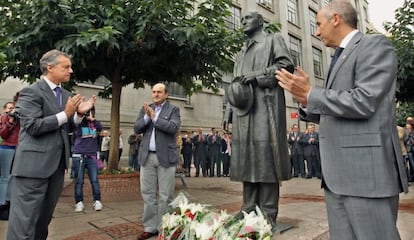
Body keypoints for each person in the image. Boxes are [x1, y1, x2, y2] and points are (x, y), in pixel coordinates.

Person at [275, 1, 409, 239]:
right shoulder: (339, 57)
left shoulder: (373, 45)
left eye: (318, 24)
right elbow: (337, 109)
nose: (316, 32)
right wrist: (306, 101)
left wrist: (312, 94)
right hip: (337, 177)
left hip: (366, 176)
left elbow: (365, 101)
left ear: (335, 19)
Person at [7, 49, 96, 240]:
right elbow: (32, 126)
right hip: (32, 167)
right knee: (23, 222)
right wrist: (66, 114)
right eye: (66, 67)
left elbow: (67, 126)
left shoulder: (65, 94)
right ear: (50, 67)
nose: (71, 71)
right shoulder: (30, 91)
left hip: (56, 166)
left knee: (43, 221)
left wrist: (79, 114)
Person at [222, 11, 294, 232]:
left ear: (261, 22)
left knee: (266, 160)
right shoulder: (241, 51)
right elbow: (233, 84)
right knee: (247, 160)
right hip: (244, 111)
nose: (243, 21)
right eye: (242, 19)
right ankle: (248, 208)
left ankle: (268, 213)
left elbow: (286, 65)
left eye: (248, 18)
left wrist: (257, 75)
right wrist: (228, 111)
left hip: (266, 107)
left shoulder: (273, 40)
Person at [134, 83, 181, 240]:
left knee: (165, 194)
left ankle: (164, 226)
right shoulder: (146, 109)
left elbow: (173, 128)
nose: (156, 94)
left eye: (159, 92)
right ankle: (150, 227)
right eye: (154, 92)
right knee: (147, 194)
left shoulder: (173, 109)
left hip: (166, 157)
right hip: (147, 157)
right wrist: (147, 117)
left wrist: (155, 118)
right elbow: (137, 128)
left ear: (166, 94)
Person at [71, 107, 103, 212]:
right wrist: (82, 116)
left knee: (94, 180)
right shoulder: (78, 122)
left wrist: (93, 120)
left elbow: (100, 128)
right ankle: (79, 202)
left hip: (92, 156)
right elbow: (77, 131)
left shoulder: (94, 124)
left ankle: (97, 201)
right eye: (87, 111)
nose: (88, 114)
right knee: (79, 181)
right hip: (79, 155)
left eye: (90, 111)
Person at [0, 99, 20, 220]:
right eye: (9, 108)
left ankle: (8, 203)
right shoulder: (4, 118)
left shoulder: (20, 118)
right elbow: (2, 134)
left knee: (13, 177)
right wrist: (10, 122)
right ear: (5, 110)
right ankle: (1, 204)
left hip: (18, 148)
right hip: (6, 147)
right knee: (4, 177)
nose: (11, 110)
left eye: (13, 108)